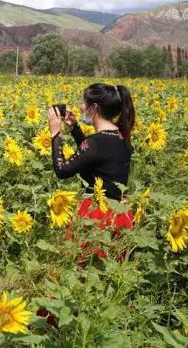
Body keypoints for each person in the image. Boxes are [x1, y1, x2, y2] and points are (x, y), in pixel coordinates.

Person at [47, 83, 136, 260]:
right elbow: (95, 158)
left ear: (94, 108)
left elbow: (62, 170)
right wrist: (74, 128)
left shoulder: (95, 142)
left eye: (84, 102)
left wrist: (56, 134)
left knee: (84, 269)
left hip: (97, 216)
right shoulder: (122, 137)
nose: (81, 106)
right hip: (119, 214)